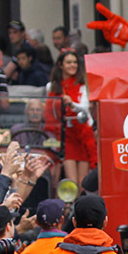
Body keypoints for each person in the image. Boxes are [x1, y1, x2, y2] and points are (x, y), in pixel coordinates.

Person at [47, 49, 97, 183]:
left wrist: (72, 104)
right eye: (68, 62)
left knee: (83, 183)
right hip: (66, 136)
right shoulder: (52, 86)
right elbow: (50, 111)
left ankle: (80, 204)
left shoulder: (82, 86)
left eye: (75, 62)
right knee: (71, 182)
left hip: (82, 135)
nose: (72, 65)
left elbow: (85, 108)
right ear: (60, 65)